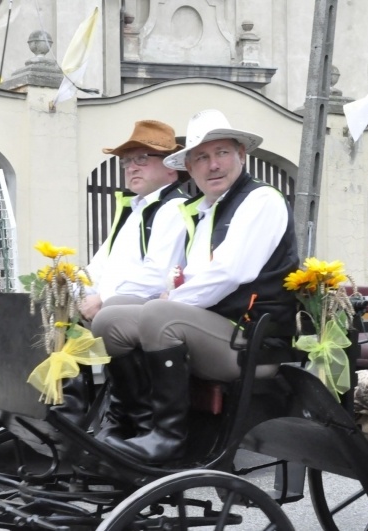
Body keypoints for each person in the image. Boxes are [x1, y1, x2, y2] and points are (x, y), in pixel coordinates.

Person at [91, 109, 299, 463]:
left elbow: (229, 273)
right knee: (110, 315)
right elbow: (190, 277)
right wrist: (169, 296)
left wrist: (170, 299)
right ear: (189, 166)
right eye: (201, 157)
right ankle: (130, 424)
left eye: (221, 153)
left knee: (160, 313)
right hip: (213, 330)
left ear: (241, 156)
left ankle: (168, 438)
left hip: (251, 343)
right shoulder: (203, 211)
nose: (212, 165)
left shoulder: (261, 200)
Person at [56, 120, 188, 437]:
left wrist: (101, 299)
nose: (131, 167)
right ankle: (68, 415)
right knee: (55, 314)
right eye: (127, 161)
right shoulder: (134, 211)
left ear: (171, 168)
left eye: (142, 158)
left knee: (108, 319)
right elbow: (100, 267)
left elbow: (157, 273)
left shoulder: (174, 208)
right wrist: (68, 290)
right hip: (118, 306)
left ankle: (133, 421)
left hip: (147, 312)